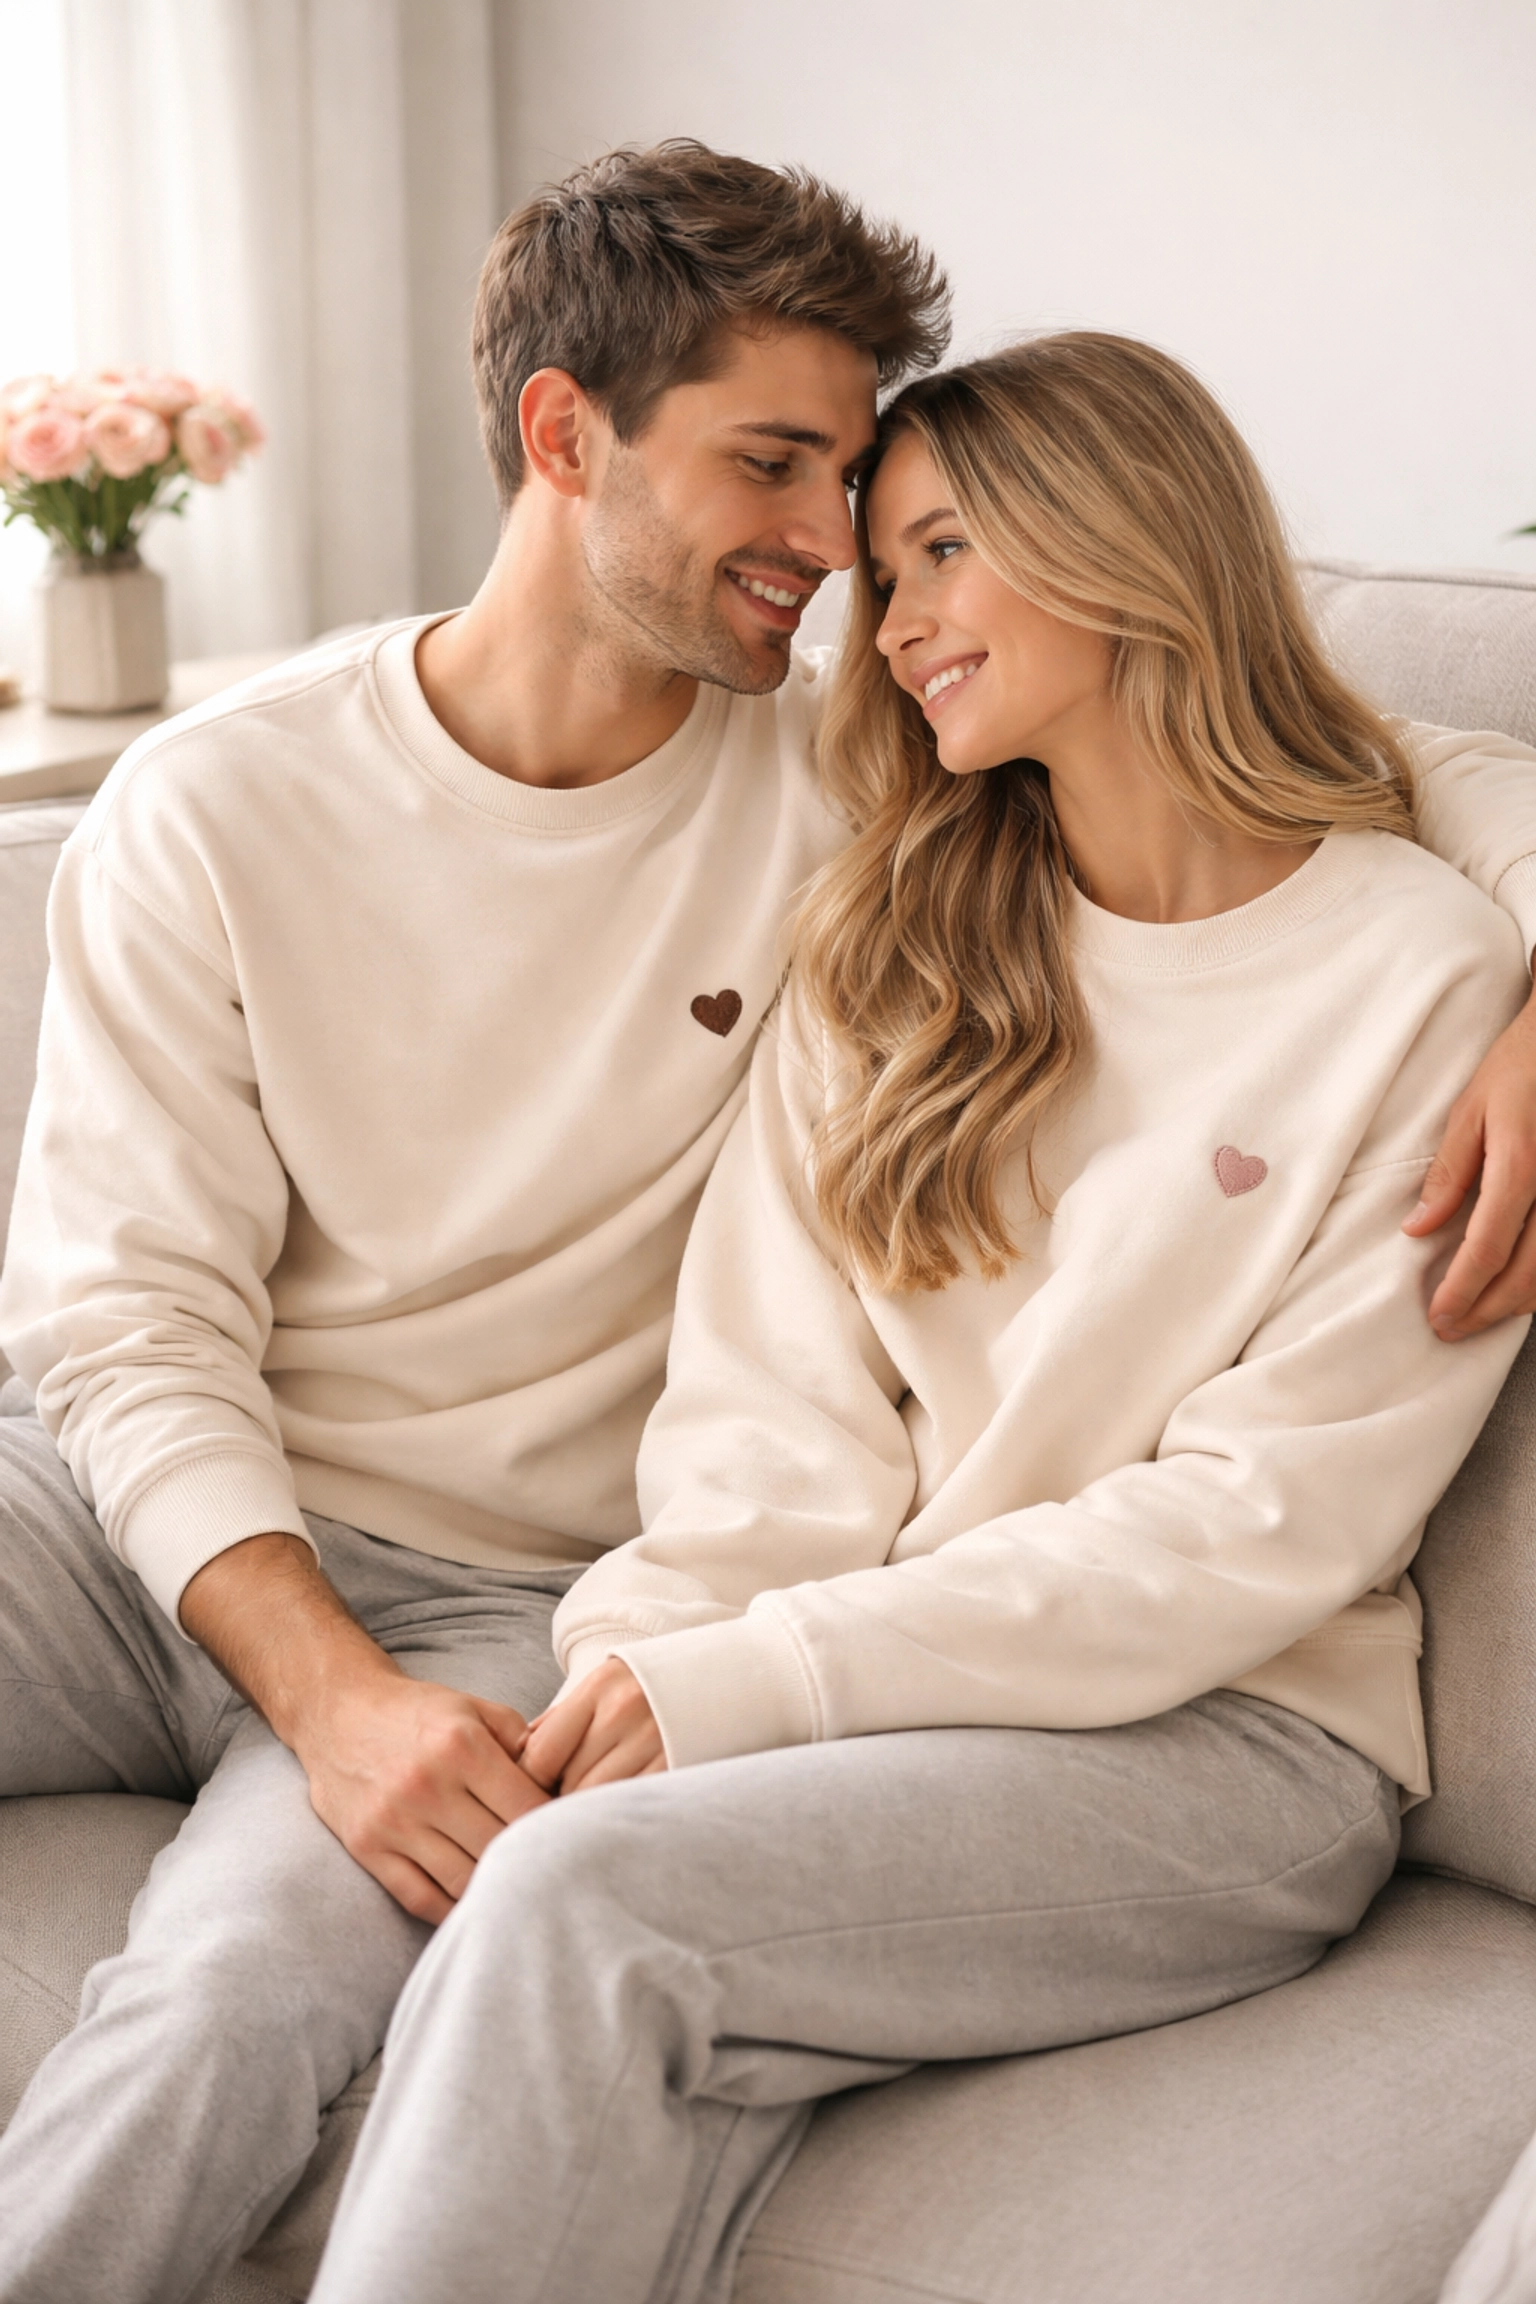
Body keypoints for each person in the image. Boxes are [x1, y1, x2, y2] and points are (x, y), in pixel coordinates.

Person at [0, 146, 1529, 2300]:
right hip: (132, 1515)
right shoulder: (249, 807)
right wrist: (552, 1684)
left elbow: (1373, 753)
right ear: (565, 436)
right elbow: (151, 1332)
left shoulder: (872, 786)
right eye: (785, 471)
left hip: (545, 1606)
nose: (841, 574)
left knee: (302, 1989)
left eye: (900, 527)